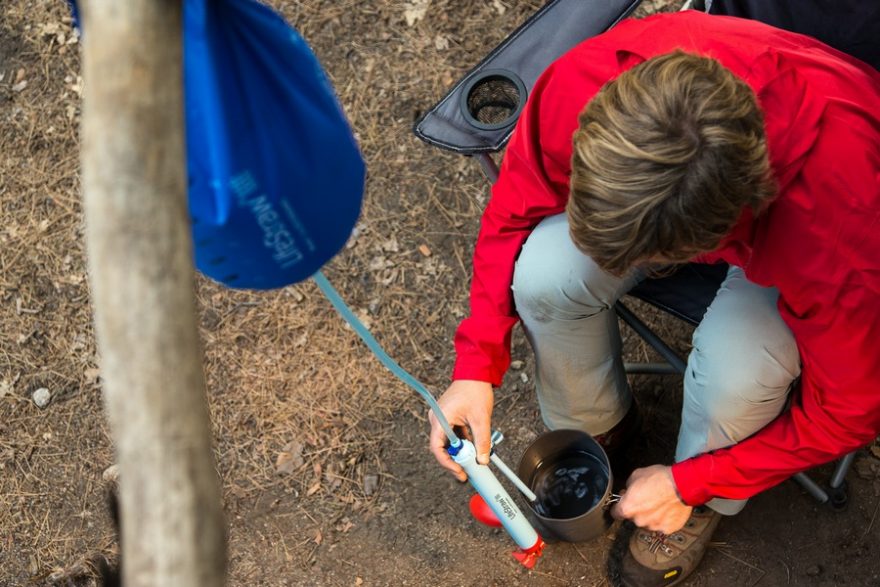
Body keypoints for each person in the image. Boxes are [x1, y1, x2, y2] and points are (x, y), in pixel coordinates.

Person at [426, 9, 880, 586]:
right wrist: (476, 363)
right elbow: (513, 210)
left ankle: (694, 499)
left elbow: (849, 413)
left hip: (806, 217)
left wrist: (692, 482)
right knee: (543, 273)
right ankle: (601, 439)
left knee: (738, 369)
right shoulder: (588, 85)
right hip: (717, 193)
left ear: (710, 242)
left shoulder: (846, 224)